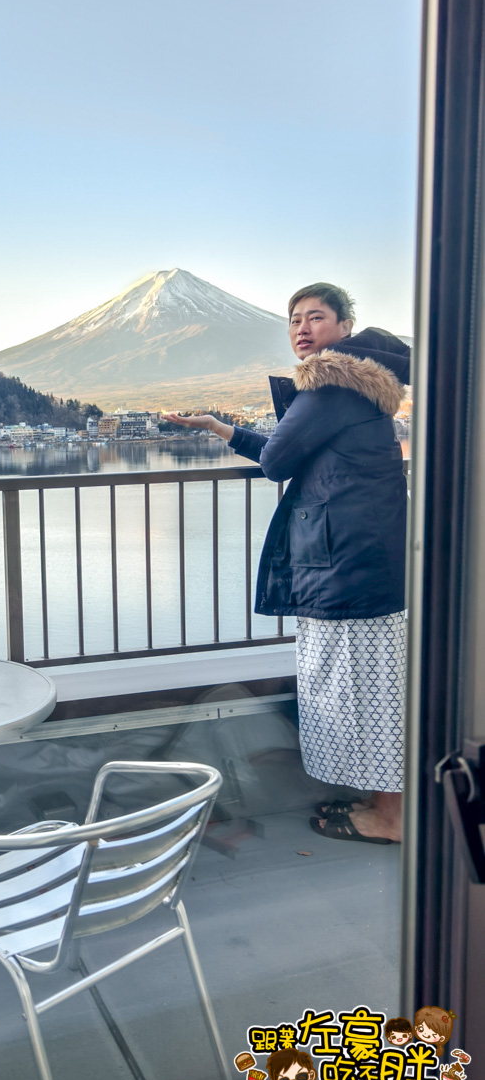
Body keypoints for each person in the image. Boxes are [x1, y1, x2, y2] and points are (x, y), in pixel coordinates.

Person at [165, 283, 410, 844]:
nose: (302, 328)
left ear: (344, 327)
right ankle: (382, 803)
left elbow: (278, 460)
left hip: (350, 564)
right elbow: (290, 451)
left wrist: (240, 434)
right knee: (372, 689)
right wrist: (223, 429)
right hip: (364, 558)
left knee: (365, 694)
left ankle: (391, 818)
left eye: (316, 317)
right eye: (294, 319)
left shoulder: (329, 388)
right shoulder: (355, 389)